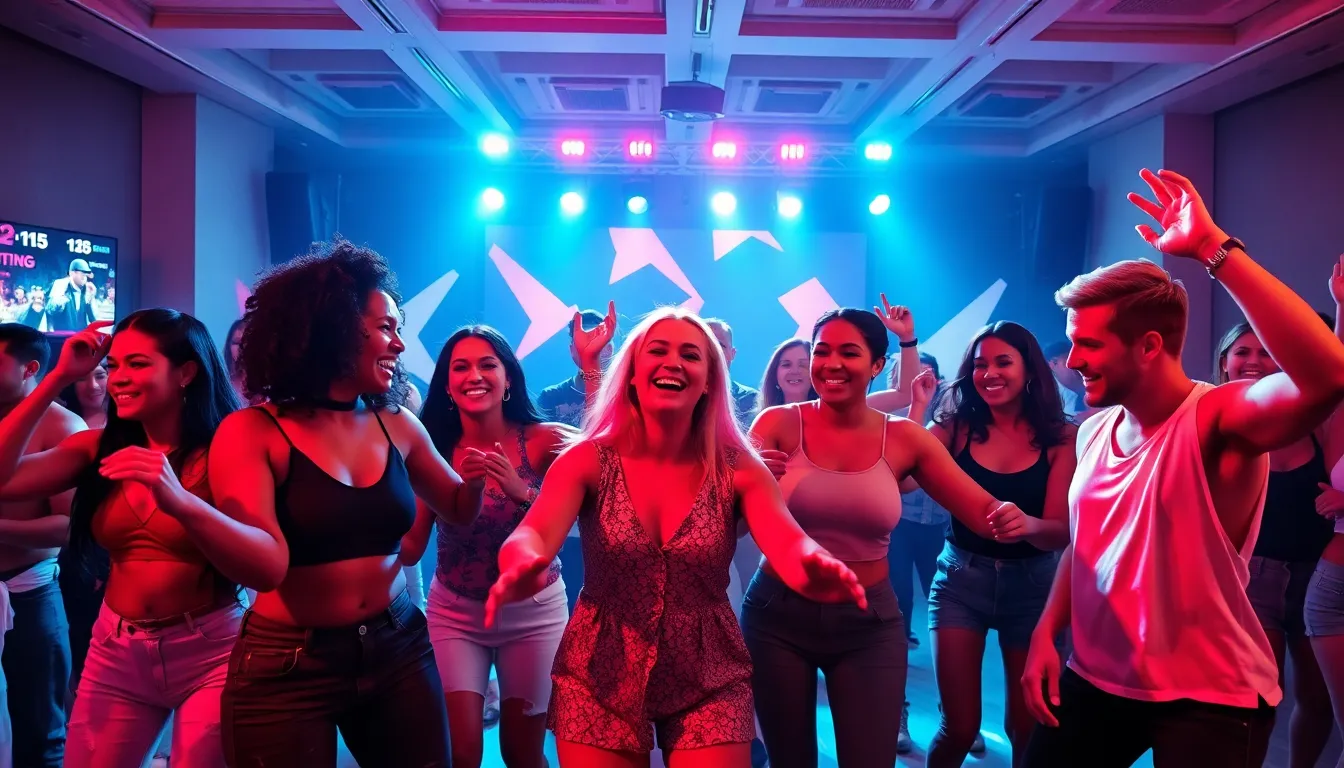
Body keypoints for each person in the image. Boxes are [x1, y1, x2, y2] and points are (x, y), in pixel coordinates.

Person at [1021, 169, 1344, 766]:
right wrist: (1048, 630)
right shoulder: (1093, 431)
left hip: (1209, 695)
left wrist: (1212, 251)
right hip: (1095, 678)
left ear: (1147, 346)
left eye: (1088, 344)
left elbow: (1327, 376)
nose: (1072, 360)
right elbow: (1084, 548)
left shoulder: (1216, 418)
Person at [488, 306, 868, 768]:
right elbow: (534, 532)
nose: (673, 362)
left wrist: (812, 564)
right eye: (658, 351)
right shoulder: (586, 459)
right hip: (599, 667)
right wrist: (521, 563)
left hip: (709, 670)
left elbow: (787, 540)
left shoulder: (739, 466)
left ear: (710, 379)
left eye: (691, 354)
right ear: (631, 373)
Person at [211, 241, 483, 767]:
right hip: (288, 663)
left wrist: (473, 481)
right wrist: (180, 502)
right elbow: (264, 569)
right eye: (386, 328)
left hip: (397, 647)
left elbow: (457, 508)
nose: (400, 346)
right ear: (332, 330)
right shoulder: (252, 432)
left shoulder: (397, 422)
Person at [745, 300, 1039, 768]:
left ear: (877, 364)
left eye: (849, 352)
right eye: (822, 352)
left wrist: (1031, 520)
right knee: (791, 761)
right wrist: (749, 477)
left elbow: (983, 509)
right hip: (777, 614)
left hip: (869, 621)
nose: (831, 364)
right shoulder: (776, 425)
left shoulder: (904, 437)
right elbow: (736, 521)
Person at [0, 311, 244, 768]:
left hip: (212, 648)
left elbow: (264, 563)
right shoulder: (97, 447)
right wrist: (56, 379)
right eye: (114, 367)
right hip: (118, 649)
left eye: (138, 364)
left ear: (187, 371)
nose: (117, 379)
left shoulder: (230, 447)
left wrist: (181, 500)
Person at [921, 322, 1075, 768]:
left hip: (1034, 588)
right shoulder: (953, 428)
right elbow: (903, 474)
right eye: (979, 364)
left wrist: (1027, 525)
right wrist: (914, 409)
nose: (989, 373)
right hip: (959, 581)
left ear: (1029, 369)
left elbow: (1061, 530)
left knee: (1027, 727)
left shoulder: (1061, 436)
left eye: (1002, 362)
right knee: (959, 729)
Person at [418, 325, 571, 768]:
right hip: (455, 615)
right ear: (447, 384)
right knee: (461, 753)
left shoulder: (544, 440)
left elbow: (599, 491)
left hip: (534, 614)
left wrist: (521, 491)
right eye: (460, 367)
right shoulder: (430, 446)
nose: (474, 375)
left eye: (488, 365)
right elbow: (409, 548)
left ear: (508, 379)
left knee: (521, 754)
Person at [1215, 319, 1335, 768]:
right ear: (1224, 363)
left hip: (1316, 578)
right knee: (1253, 702)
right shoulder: (1214, 426)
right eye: (1242, 352)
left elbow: (1334, 373)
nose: (1254, 361)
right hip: (1251, 578)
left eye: (1266, 351)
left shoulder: (1315, 423)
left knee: (1316, 698)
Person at [0, 324, 84, 767]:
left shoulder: (63, 425)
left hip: (29, 594)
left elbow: (69, 528)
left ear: (30, 368)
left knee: (41, 733)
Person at [537, 309, 612, 428]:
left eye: (593, 339)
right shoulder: (551, 397)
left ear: (609, 349)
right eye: (581, 341)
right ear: (571, 350)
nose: (588, 347)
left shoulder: (625, 392)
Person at [703, 319, 760, 431]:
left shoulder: (751, 400)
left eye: (720, 345)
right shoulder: (681, 395)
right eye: (707, 344)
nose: (713, 351)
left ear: (732, 354)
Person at [755, 340, 816, 412]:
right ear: (774, 373)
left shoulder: (830, 419)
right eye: (786, 365)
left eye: (803, 365)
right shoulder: (762, 419)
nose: (794, 371)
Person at [47, 260, 97, 333]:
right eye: (81, 273)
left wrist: (91, 298)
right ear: (72, 273)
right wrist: (61, 297)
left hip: (80, 337)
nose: (84, 277)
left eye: (85, 274)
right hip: (62, 336)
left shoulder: (87, 290)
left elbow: (94, 319)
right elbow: (50, 311)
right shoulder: (60, 284)